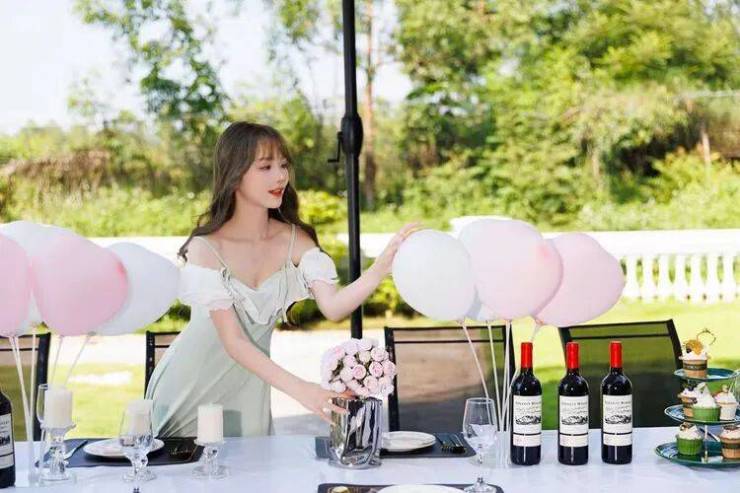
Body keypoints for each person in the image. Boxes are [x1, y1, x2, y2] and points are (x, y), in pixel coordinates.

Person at [146, 121, 417, 437]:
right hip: (188, 388)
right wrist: (304, 390)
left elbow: (333, 307)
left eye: (283, 165)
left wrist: (380, 268)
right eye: (266, 166)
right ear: (235, 173)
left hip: (249, 392)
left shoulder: (295, 240)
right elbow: (234, 342)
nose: (280, 176)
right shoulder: (205, 247)